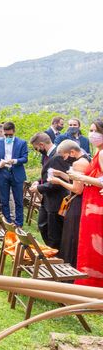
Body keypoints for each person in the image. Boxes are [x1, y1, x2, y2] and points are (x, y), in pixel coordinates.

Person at [69, 120, 103, 287]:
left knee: (95, 243)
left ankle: (93, 284)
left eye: (94, 131)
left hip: (97, 204)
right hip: (91, 202)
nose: (91, 134)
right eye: (89, 130)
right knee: (89, 243)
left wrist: (81, 177)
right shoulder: (98, 151)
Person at [47, 140, 89, 266]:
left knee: (71, 236)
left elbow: (77, 189)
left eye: (64, 156)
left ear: (72, 152)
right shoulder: (86, 159)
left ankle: (70, 266)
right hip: (82, 201)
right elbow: (76, 181)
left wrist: (59, 181)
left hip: (77, 202)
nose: (64, 159)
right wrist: (61, 175)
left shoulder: (78, 163)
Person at [29, 132, 68, 248]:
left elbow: (58, 182)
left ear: (41, 145)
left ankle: (57, 257)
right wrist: (39, 180)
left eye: (36, 148)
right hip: (47, 200)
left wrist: (38, 188)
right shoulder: (47, 156)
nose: (37, 151)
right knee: (43, 225)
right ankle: (51, 252)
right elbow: (48, 174)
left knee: (54, 233)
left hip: (56, 200)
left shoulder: (58, 155)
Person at [0, 122, 28, 226]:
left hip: (16, 173)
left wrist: (15, 161)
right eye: (6, 135)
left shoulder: (22, 143)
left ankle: (19, 223)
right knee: (4, 200)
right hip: (3, 173)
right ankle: (7, 221)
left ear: (14, 132)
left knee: (18, 200)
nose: (8, 137)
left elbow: (25, 158)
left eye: (10, 135)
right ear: (3, 132)